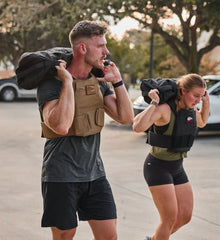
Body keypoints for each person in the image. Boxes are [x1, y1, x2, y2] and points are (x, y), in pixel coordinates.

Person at [37, 20, 134, 240]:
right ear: (83, 48)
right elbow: (60, 125)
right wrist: (68, 84)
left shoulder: (97, 81)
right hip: (61, 175)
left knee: (109, 236)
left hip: (95, 174)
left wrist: (117, 82)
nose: (106, 51)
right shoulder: (51, 84)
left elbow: (126, 117)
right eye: (100, 46)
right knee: (65, 236)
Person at [133, 74, 210, 240]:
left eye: (201, 95)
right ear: (183, 91)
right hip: (157, 167)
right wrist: (154, 102)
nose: (198, 99)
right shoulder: (165, 109)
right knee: (168, 218)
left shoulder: (190, 109)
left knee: (185, 217)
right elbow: (137, 126)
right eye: (195, 95)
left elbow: (202, 122)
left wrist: (206, 102)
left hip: (177, 167)